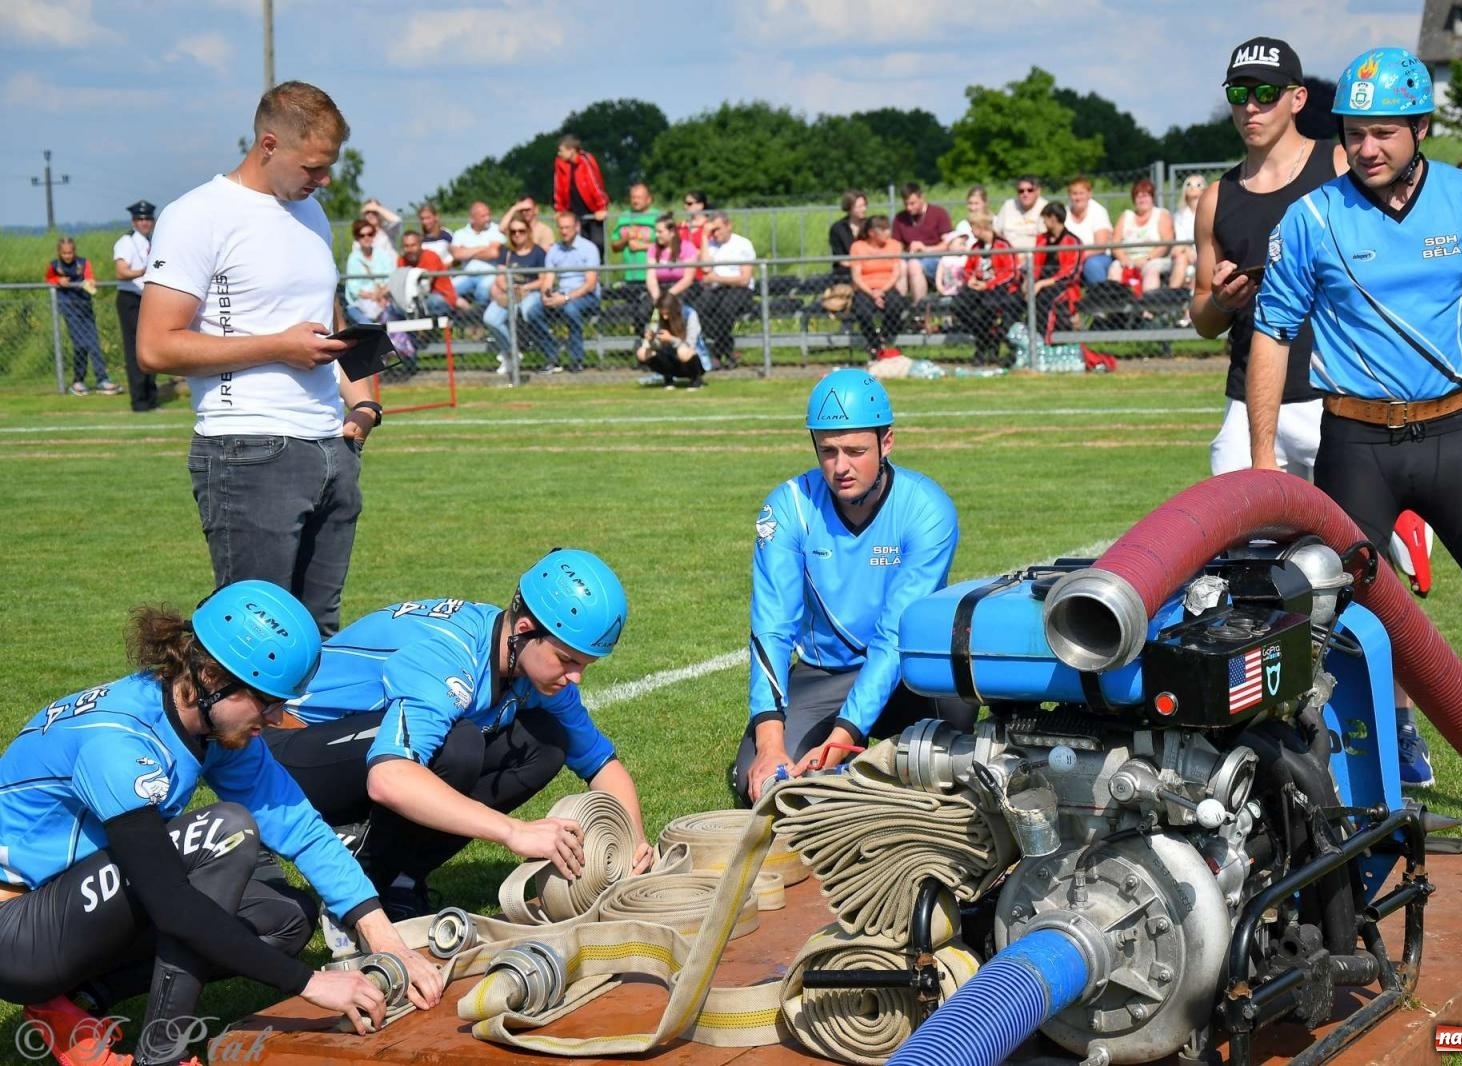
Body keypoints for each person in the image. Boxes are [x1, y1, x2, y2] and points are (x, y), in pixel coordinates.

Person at [1247, 46, 1462, 798]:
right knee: (1346, 632)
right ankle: (1354, 796)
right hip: (1355, 447)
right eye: (1353, 131)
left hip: (1454, 437)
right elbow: (1272, 333)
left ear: (1421, 128)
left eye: (1383, 132)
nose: (1365, 147)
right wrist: (1262, 455)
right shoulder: (1312, 217)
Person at [0, 581, 442, 1066]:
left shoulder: (203, 721)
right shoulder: (119, 744)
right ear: (211, 676)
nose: (277, 718)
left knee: (284, 918)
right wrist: (313, 984)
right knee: (225, 831)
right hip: (14, 937)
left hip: (63, 909)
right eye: (267, 701)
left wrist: (386, 940)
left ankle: (72, 1004)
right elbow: (173, 907)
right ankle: (162, 1055)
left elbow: (299, 826)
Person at [268, 551, 652, 920]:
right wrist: (513, 833)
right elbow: (389, 779)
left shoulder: (530, 666)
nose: (576, 678)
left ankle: (401, 879)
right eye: (567, 660)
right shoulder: (450, 660)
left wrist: (632, 845)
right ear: (524, 630)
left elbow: (603, 765)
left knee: (547, 744)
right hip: (285, 753)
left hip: (359, 750)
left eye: (585, 664)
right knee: (459, 746)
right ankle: (359, 878)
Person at [139, 81, 382, 637]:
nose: (323, 181)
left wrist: (365, 412)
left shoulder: (312, 214)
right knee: (254, 635)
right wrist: (277, 346)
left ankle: (306, 728)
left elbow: (334, 321)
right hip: (247, 450)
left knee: (320, 632)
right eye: (314, 167)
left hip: (331, 448)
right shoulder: (197, 214)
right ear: (269, 144)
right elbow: (155, 346)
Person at [736, 370, 970, 802]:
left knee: (957, 764)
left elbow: (894, 636)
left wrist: (845, 734)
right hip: (824, 672)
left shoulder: (927, 509)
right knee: (757, 782)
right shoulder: (788, 508)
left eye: (855, 450)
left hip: (908, 669)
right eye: (827, 451)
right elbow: (771, 628)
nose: (840, 466)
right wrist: (770, 747)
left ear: (887, 442)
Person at [1190, 37, 1344, 482]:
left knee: (1360, 546)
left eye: (1265, 93)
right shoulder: (1217, 197)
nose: (1250, 107)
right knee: (1240, 547)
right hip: (1250, 401)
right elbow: (1203, 319)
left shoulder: (1339, 167)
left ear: (1297, 98)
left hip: (1337, 396)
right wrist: (1221, 301)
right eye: (1238, 94)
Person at [527, 210, 601, 374]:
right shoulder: (554, 250)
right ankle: (552, 356)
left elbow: (590, 284)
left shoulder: (589, 249)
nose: (564, 231)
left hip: (586, 297)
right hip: (561, 295)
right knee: (533, 312)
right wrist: (546, 296)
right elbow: (548, 280)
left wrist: (566, 298)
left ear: (577, 227)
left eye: (567, 227)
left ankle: (576, 360)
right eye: (561, 228)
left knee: (570, 309)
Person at [46, 237, 121, 397]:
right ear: (59, 252)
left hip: (85, 308)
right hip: (69, 309)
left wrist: (90, 281)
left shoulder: (83, 263)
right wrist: (58, 280)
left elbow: (89, 276)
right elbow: (48, 279)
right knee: (80, 345)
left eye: (70, 252)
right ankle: (78, 381)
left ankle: (102, 380)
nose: (68, 256)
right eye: (64, 253)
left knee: (93, 344)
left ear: (75, 251)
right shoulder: (54, 265)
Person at [953, 211, 1020, 365]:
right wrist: (970, 279)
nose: (971, 231)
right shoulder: (976, 247)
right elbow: (968, 268)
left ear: (981, 227)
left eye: (973, 227)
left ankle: (988, 344)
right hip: (979, 288)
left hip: (1000, 290)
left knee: (987, 307)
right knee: (958, 305)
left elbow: (1011, 273)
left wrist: (988, 285)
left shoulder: (1002, 245)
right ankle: (983, 338)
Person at [483, 216, 548, 374]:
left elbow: (543, 280)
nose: (517, 235)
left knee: (526, 311)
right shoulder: (506, 252)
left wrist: (525, 286)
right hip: (510, 293)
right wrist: (508, 287)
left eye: (521, 231)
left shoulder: (538, 252)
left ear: (528, 232)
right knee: (490, 318)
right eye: (513, 232)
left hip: (530, 292)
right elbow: (499, 277)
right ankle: (511, 353)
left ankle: (544, 354)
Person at [114, 200, 160, 412]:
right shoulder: (127, 241)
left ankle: (151, 397)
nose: (145, 222)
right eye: (141, 219)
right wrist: (144, 272)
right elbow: (121, 271)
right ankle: (140, 401)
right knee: (135, 349)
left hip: (148, 299)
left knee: (151, 346)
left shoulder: (151, 241)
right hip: (131, 299)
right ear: (134, 221)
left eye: (148, 218)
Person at [697, 211, 756, 370]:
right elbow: (706, 268)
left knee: (725, 310)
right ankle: (727, 351)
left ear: (728, 226)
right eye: (712, 230)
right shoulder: (710, 245)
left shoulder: (743, 244)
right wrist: (704, 236)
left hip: (739, 289)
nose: (715, 234)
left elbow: (744, 279)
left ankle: (718, 353)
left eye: (718, 229)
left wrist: (715, 279)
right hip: (718, 289)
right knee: (700, 309)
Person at [849, 215, 908, 358]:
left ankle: (883, 337)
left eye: (888, 229)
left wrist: (882, 290)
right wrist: (872, 293)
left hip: (887, 287)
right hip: (865, 289)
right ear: (871, 233)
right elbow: (856, 276)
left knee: (896, 305)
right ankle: (874, 344)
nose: (888, 232)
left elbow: (896, 273)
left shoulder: (894, 245)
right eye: (883, 230)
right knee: (862, 311)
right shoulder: (858, 247)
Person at [609, 182, 660, 336]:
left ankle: (652, 345)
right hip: (630, 276)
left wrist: (642, 246)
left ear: (649, 199)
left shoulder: (658, 217)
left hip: (651, 276)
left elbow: (667, 245)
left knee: (646, 312)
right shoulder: (624, 217)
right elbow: (614, 245)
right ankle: (640, 345)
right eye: (633, 197)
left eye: (639, 197)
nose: (635, 201)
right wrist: (625, 239)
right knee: (634, 313)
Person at [1110, 178, 1175, 292]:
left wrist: (1147, 259)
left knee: (1151, 269)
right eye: (1138, 196)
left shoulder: (1161, 214)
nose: (1142, 199)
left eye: (1145, 195)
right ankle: (1116, 305)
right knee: (1115, 268)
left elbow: (1166, 243)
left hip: (1154, 258)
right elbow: (1115, 243)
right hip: (1128, 259)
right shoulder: (1126, 216)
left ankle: (1148, 306)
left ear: (1152, 197)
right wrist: (1124, 259)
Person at [1032, 202, 1085, 341]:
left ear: (1053, 219)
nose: (1043, 222)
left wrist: (1043, 283)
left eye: (1045, 218)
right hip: (1040, 284)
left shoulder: (1073, 241)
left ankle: (1044, 340)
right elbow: (1035, 265)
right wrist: (1029, 281)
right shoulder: (1042, 239)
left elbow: (1071, 274)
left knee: (1044, 300)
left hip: (1063, 286)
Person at [892, 183, 953, 302]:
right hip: (909, 257)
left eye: (912, 203)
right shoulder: (900, 218)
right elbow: (897, 244)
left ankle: (919, 309)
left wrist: (925, 249)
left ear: (922, 198)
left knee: (914, 265)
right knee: (901, 266)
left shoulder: (939, 214)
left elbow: (948, 244)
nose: (909, 208)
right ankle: (900, 308)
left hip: (935, 259)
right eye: (906, 204)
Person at [552, 135, 609, 256]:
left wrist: (602, 207)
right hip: (574, 211)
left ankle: (597, 269)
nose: (559, 153)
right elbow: (558, 188)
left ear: (571, 150)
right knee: (577, 245)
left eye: (561, 150)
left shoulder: (585, 161)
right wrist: (559, 209)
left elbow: (595, 184)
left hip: (592, 210)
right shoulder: (560, 164)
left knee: (597, 243)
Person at [636, 291, 705, 390]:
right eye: (662, 314)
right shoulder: (659, 318)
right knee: (642, 353)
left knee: (683, 352)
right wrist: (651, 340)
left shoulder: (690, 314)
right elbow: (657, 346)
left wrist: (671, 339)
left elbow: (690, 345)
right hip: (670, 358)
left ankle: (696, 379)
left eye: (667, 313)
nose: (665, 317)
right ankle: (668, 378)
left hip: (692, 358)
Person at [448, 201, 505, 308]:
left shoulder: (496, 229)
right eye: (483, 216)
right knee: (448, 289)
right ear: (472, 219)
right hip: (467, 274)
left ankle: (480, 319)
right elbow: (457, 255)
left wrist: (466, 251)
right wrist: (482, 248)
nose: (488, 218)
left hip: (490, 274)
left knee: (482, 290)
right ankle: (464, 313)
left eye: (488, 214)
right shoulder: (460, 233)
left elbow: (493, 253)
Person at [396, 228, 464, 315]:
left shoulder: (430, 256)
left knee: (421, 303)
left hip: (440, 297)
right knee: (395, 306)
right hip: (416, 298)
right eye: (406, 246)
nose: (410, 249)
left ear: (420, 245)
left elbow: (426, 284)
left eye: (413, 245)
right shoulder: (401, 260)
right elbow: (399, 282)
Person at [343, 218, 398, 325]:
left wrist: (381, 295)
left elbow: (391, 278)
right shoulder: (353, 258)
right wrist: (374, 297)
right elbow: (354, 288)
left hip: (383, 300)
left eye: (370, 234)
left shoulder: (383, 255)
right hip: (359, 304)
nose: (366, 238)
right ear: (357, 238)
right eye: (362, 235)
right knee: (367, 325)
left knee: (392, 321)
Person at [1063, 176, 1115, 285]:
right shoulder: (1065, 213)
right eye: (1074, 193)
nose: (1078, 197)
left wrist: (1080, 256)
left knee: (1092, 265)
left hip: (1098, 256)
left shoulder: (1098, 211)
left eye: (1081, 193)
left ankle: (1100, 296)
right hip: (1070, 257)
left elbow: (1101, 246)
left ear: (1089, 194)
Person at [644, 213, 699, 304]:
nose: (656, 235)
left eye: (660, 232)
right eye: (656, 232)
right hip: (659, 288)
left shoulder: (687, 248)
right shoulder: (653, 249)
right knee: (644, 309)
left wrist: (668, 296)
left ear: (672, 232)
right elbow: (651, 277)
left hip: (682, 290)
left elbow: (688, 279)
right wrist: (657, 297)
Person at [1169, 174, 1207, 295]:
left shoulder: (1210, 213)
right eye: (1188, 184)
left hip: (1204, 252)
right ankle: (1171, 296)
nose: (1192, 187)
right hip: (1187, 253)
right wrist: (1188, 250)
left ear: (1204, 190)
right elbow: (1180, 240)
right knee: (1181, 257)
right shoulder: (1179, 215)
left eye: (1198, 185)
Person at [993, 176, 1046, 257]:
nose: (1025, 194)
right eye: (1021, 191)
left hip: (1035, 258)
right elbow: (996, 232)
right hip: (1008, 257)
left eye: (1030, 190)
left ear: (1038, 191)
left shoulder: (1045, 207)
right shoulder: (1008, 206)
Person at [829, 189, 868, 278]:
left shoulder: (870, 225)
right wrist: (856, 266)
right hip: (846, 270)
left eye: (865, 205)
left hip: (868, 267)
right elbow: (840, 258)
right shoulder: (837, 228)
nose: (864, 209)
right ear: (849, 208)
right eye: (860, 206)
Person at [417, 202, 455, 267]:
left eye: (428, 218)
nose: (425, 222)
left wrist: (441, 268)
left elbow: (457, 259)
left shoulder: (447, 235)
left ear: (436, 217)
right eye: (422, 219)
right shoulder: (420, 239)